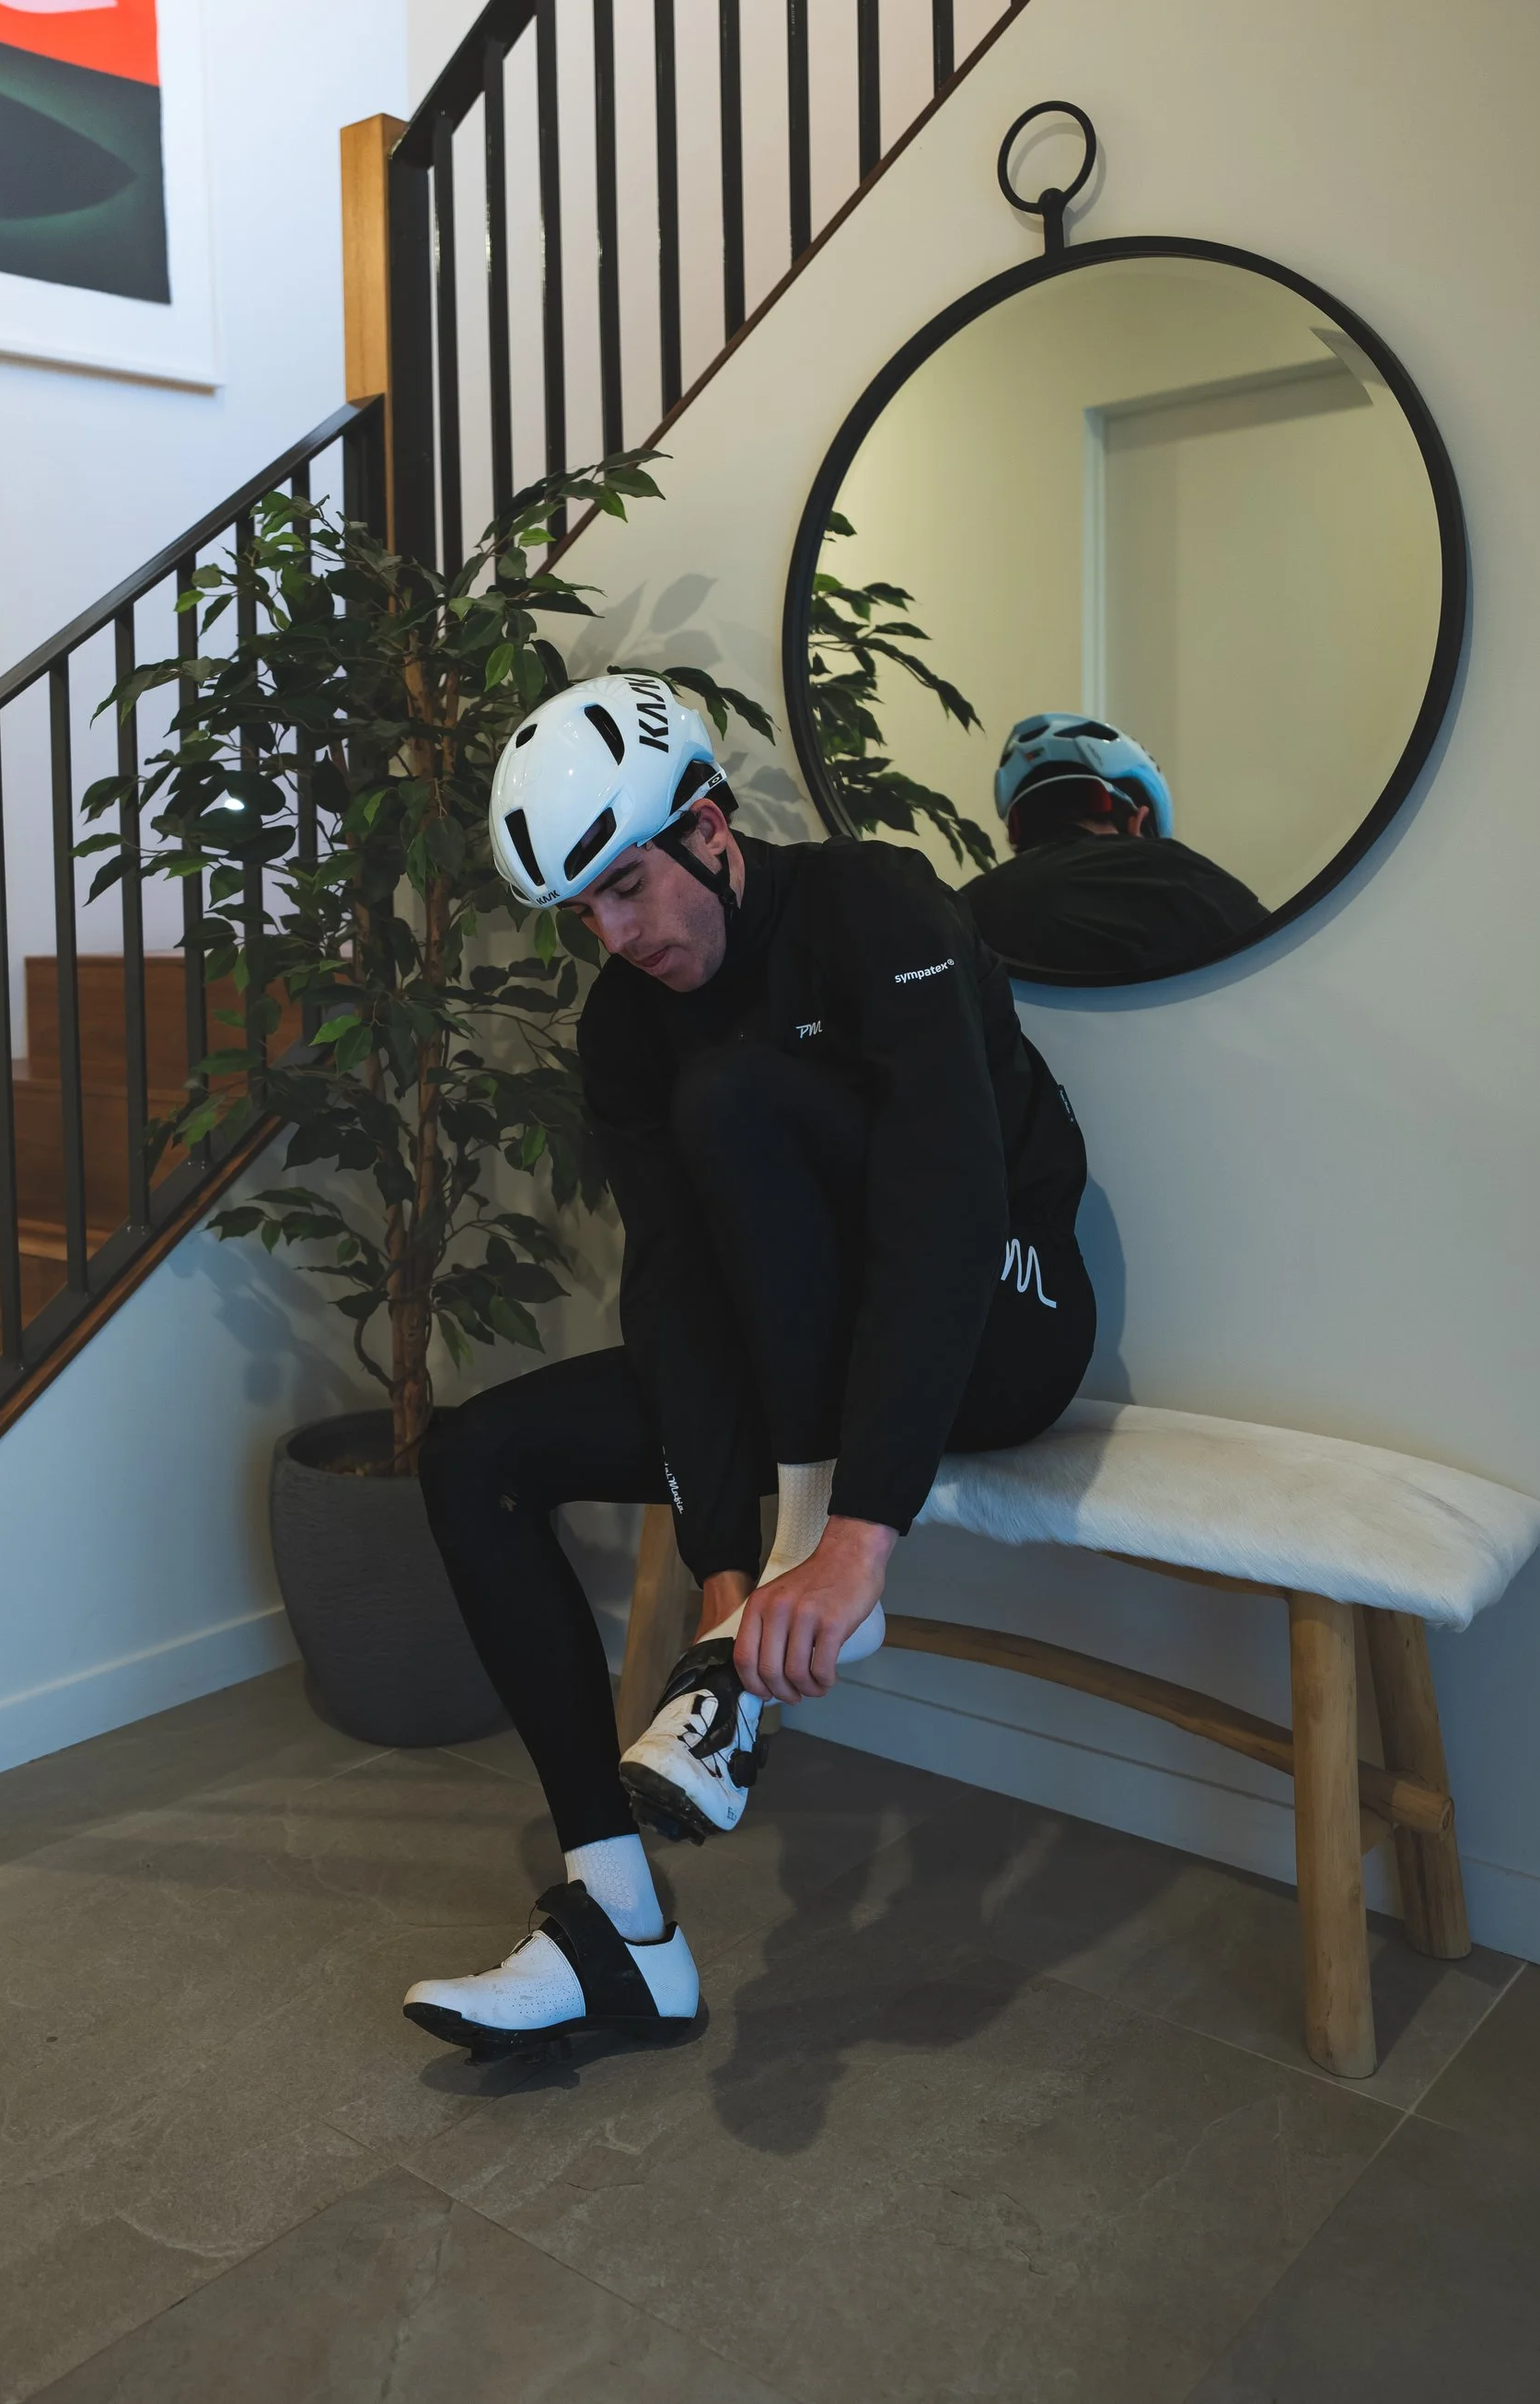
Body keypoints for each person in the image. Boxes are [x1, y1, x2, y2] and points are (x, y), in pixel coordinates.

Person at [402, 672, 1094, 2064]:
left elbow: (944, 1223)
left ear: (712, 826)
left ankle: (779, 1614)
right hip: (806, 1385)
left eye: (629, 885)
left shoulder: (878, 910)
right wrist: (726, 1562)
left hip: (1001, 1322)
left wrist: (850, 1547)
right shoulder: (620, 1028)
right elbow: (675, 1298)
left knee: (734, 1094)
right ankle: (618, 1932)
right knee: (472, 1456)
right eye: (583, 910)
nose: (614, 933)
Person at [958, 714, 1268, 981]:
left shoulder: (960, 911)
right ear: (1138, 824)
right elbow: (1278, 966)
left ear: (1017, 835)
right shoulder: (1170, 869)